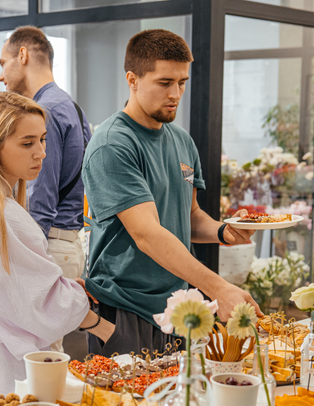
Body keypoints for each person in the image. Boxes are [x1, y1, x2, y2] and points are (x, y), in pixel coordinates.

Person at [82, 29, 259, 356]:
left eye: (182, 83)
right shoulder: (112, 145)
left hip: (177, 307)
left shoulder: (181, 141)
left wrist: (224, 232)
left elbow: (188, 216)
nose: (175, 93)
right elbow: (147, 234)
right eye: (164, 83)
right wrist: (217, 287)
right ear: (132, 80)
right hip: (124, 308)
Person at [0, 91, 114, 395]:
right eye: (27, 143)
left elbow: (3, 291)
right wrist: (100, 325)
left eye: (43, 139)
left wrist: (58, 287)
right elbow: (34, 302)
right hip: (7, 363)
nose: (41, 153)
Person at [0, 27, 90, 352]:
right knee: (48, 354)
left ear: (22, 55)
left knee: (39, 358)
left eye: (3, 62)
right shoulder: (72, 107)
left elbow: (41, 199)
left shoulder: (44, 111)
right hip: (67, 243)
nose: (1, 75)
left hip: (47, 243)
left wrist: (26, 255)